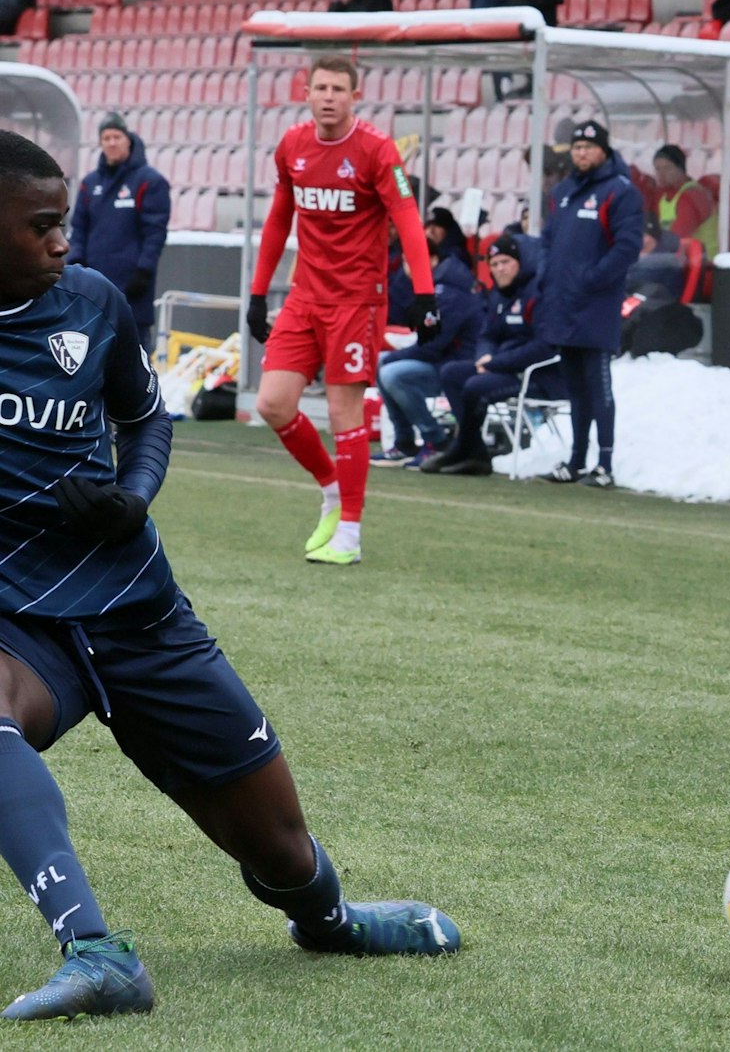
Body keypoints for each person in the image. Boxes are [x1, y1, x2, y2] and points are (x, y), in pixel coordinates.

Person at [0, 129, 459, 1024]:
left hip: (135, 608)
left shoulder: (93, 304)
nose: (64, 241)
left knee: (282, 851)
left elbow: (147, 420)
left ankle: (331, 921)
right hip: (21, 620)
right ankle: (96, 951)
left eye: (66, 222)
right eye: (43, 225)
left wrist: (132, 499)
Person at [248, 56, 437, 567]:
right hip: (305, 296)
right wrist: (258, 293)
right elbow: (277, 220)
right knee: (273, 404)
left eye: (339, 89)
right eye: (320, 88)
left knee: (342, 412)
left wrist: (424, 293)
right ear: (306, 92)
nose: (328, 96)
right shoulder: (293, 146)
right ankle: (331, 487)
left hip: (356, 301)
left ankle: (349, 533)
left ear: (356, 96)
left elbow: (408, 219)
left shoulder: (377, 150)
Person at [535, 120, 642, 488]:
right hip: (563, 304)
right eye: (576, 147)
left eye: (588, 147)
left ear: (604, 151)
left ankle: (605, 464)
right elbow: (548, 239)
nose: (581, 153)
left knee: (598, 386)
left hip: (595, 306)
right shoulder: (564, 191)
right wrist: (548, 274)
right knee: (575, 387)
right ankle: (577, 459)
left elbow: (627, 247)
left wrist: (592, 279)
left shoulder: (620, 192)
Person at [423, 233, 563, 477]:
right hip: (502, 368)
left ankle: (462, 448)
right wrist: (485, 357)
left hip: (537, 376)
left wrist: (495, 363)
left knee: (476, 386)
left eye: (506, 262)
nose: (500, 269)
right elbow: (487, 335)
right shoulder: (499, 296)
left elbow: (544, 347)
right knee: (452, 374)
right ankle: (475, 453)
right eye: (494, 264)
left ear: (520, 262)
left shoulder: (537, 294)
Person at [371, 238, 483, 469]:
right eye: (405, 261)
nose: (408, 267)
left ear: (432, 260)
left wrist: (396, 356)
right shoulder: (431, 285)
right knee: (382, 363)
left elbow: (433, 345)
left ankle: (435, 439)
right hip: (443, 360)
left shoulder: (448, 290)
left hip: (458, 365)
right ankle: (404, 441)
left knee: (392, 372)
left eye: (413, 260)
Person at [65, 113, 169, 356]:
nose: (111, 143)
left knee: (132, 359)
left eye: (116, 137)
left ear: (128, 139)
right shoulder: (90, 183)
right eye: (106, 138)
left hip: (133, 290)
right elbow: (79, 227)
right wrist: (76, 262)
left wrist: (143, 270)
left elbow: (155, 231)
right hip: (93, 291)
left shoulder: (149, 182)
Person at [652, 144, 718, 257]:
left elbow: (677, 237)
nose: (661, 174)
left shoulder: (692, 195)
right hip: (679, 260)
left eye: (668, 168)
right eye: (658, 169)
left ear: (681, 169)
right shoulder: (663, 196)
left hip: (702, 263)